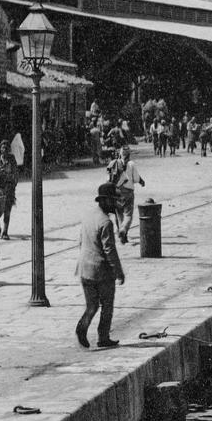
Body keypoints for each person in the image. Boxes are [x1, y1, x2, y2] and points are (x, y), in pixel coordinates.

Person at [74, 182, 125, 349]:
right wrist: (119, 272)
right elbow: (109, 250)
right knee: (107, 306)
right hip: (101, 272)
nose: (115, 204)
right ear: (104, 201)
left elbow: (81, 242)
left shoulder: (88, 216)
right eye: (113, 200)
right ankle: (103, 337)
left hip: (84, 269)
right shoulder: (106, 222)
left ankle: (82, 327)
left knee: (92, 305)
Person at [107, 145, 145, 244]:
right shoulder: (131, 164)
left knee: (119, 214)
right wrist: (141, 182)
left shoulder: (114, 163)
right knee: (128, 214)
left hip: (116, 191)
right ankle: (124, 230)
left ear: (120, 153)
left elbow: (109, 178)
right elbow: (136, 179)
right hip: (128, 192)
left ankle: (121, 235)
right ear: (129, 154)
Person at [0, 139, 19, 240]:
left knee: (7, 210)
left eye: (7, 147)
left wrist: (13, 183)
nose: (5, 149)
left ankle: (5, 231)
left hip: (8, 188)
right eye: (3, 147)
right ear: (0, 149)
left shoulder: (12, 159)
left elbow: (16, 173)